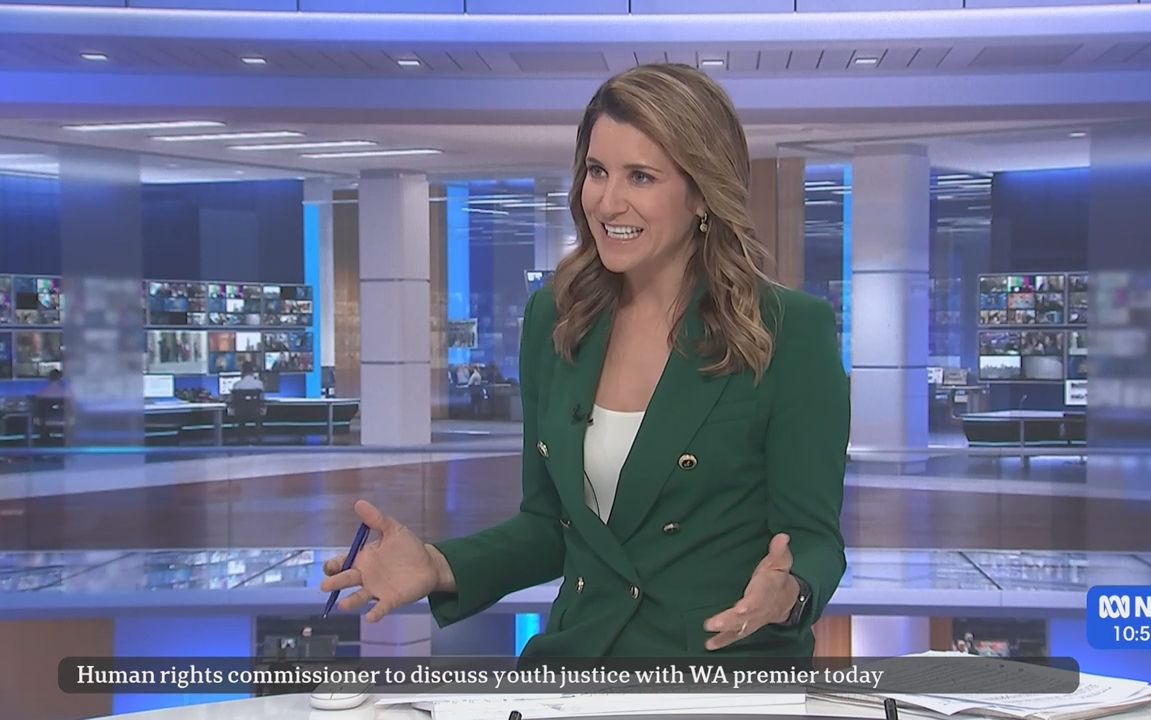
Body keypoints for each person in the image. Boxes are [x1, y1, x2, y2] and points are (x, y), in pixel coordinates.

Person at [321, 63, 849, 659]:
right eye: (597, 171)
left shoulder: (787, 331)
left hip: (717, 672)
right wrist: (438, 565)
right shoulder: (557, 315)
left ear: (702, 192)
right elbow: (549, 526)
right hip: (576, 663)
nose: (607, 201)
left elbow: (814, 541)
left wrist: (790, 594)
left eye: (640, 177)